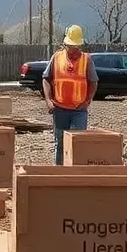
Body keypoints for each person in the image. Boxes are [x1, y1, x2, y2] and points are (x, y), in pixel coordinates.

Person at [42, 25, 98, 164]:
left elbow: (94, 82)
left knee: (78, 142)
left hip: (79, 110)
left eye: (76, 47)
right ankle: (59, 172)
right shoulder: (57, 58)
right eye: (71, 46)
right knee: (59, 143)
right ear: (65, 44)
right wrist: (48, 100)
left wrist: (88, 100)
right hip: (60, 109)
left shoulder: (86, 60)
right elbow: (46, 79)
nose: (73, 50)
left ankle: (76, 174)